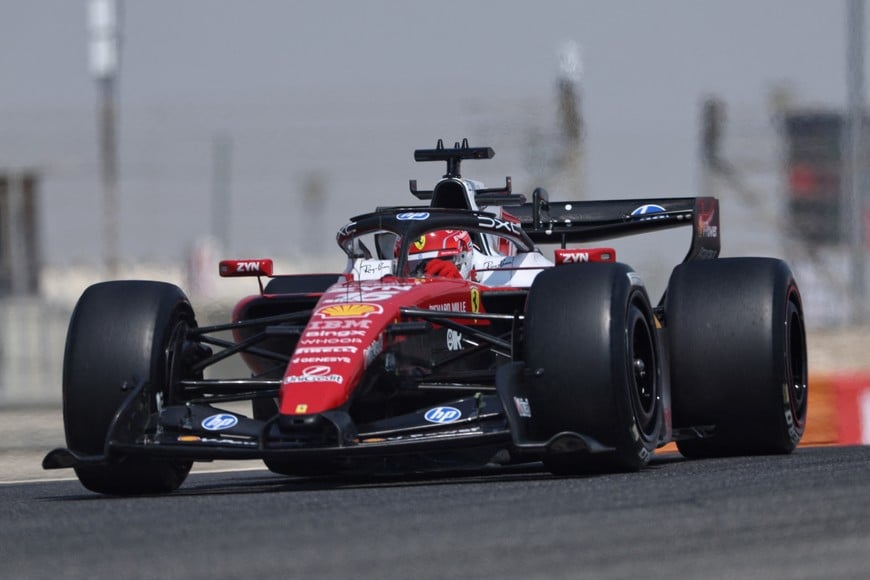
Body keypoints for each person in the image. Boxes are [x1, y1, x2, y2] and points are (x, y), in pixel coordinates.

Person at [405, 230, 473, 279]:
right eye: (421, 264)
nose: (423, 272)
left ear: (463, 257)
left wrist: (459, 289)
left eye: (443, 259)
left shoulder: (482, 279)